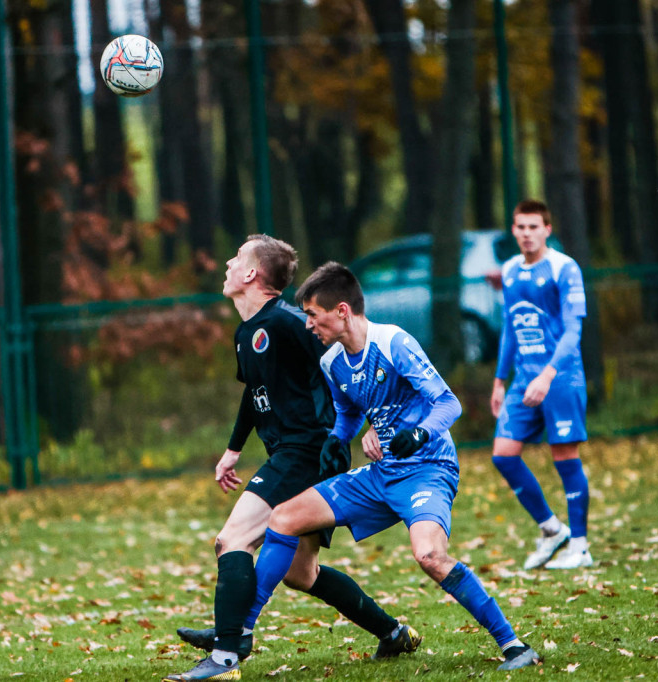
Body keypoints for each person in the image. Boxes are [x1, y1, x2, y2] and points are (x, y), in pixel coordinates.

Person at [236, 262, 541, 675]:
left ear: (341, 311)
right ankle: (240, 632)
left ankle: (514, 644)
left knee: (430, 556)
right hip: (381, 475)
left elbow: (448, 403)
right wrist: (337, 439)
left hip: (428, 468)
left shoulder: (393, 342)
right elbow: (347, 413)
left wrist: (419, 434)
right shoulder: (332, 363)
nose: (308, 325)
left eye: (312, 315)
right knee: (285, 517)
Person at [165, 236, 420, 682]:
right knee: (302, 574)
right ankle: (393, 632)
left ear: (251, 274)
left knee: (233, 539)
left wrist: (375, 423)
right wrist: (233, 449)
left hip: (309, 449)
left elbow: (348, 355)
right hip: (293, 451)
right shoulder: (247, 332)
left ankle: (227, 654)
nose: (227, 263)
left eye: (237, 259)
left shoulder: (288, 323)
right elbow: (254, 393)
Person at [489, 199, 592, 570]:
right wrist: (500, 381)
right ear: (513, 231)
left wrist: (547, 376)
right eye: (521, 227)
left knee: (564, 456)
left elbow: (573, 331)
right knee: (503, 454)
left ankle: (579, 546)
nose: (527, 234)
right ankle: (552, 530)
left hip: (561, 378)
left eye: (534, 227)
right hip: (522, 381)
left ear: (547, 229)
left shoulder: (565, 268)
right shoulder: (511, 271)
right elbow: (511, 330)